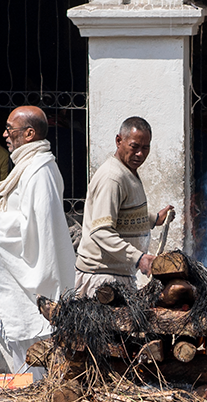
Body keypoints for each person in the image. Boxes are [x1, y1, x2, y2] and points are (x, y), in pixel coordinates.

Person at [0, 106, 76, 380]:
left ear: (30, 134)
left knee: (39, 355)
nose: (4, 135)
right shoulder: (29, 166)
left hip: (35, 280)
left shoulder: (40, 171)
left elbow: (40, 231)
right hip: (24, 277)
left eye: (10, 130)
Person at [74, 117, 174, 298]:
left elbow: (121, 213)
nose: (140, 154)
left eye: (146, 148)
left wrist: (153, 219)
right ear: (119, 141)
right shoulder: (112, 177)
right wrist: (139, 258)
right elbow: (101, 231)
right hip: (101, 278)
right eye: (135, 146)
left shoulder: (127, 172)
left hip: (118, 276)